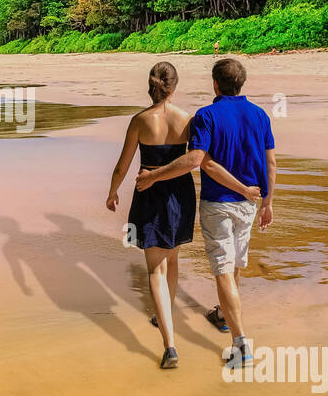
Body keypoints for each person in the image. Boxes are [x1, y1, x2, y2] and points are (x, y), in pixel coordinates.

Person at [106, 62, 258, 370]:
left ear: (150, 87)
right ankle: (167, 315)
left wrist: (112, 192)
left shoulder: (139, 121)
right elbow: (200, 159)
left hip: (149, 193)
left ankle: (170, 344)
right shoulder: (188, 119)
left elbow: (123, 165)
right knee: (172, 259)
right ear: (173, 88)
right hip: (180, 196)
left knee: (155, 270)